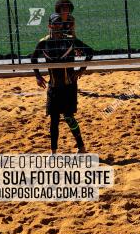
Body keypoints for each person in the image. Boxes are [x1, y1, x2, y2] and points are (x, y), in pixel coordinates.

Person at [31, 13, 94, 154]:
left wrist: (81, 70)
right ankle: (53, 153)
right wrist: (38, 76)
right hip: (53, 86)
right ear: (50, 25)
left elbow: (90, 52)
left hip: (68, 87)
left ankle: (81, 147)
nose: (58, 26)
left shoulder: (70, 40)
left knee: (68, 117)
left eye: (60, 23)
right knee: (53, 120)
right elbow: (33, 58)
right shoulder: (44, 42)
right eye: (55, 23)